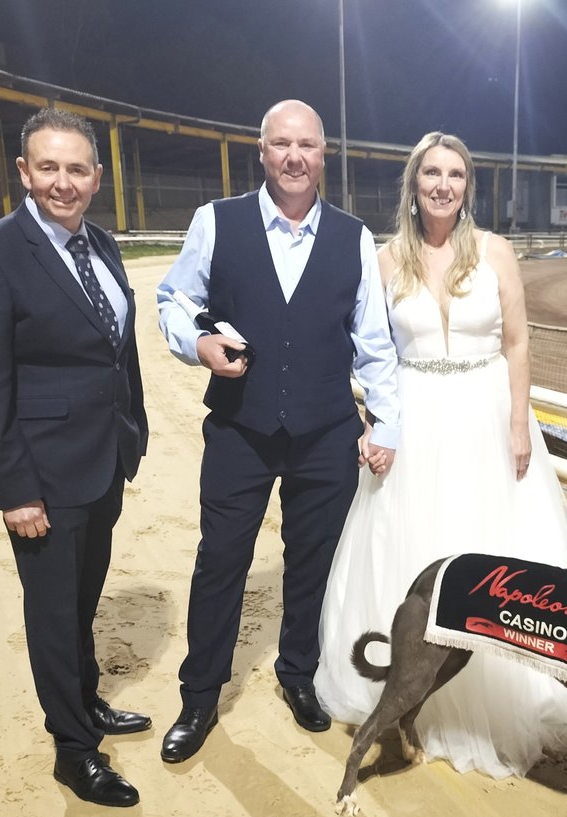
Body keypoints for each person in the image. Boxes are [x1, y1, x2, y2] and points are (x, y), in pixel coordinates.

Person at [314, 132, 567, 778]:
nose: (443, 185)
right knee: (414, 551)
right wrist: (376, 420)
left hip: (487, 417)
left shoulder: (497, 252)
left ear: (467, 186)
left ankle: (504, 695)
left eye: (454, 174)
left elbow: (518, 343)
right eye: (431, 174)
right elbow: (372, 351)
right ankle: (409, 692)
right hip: (415, 421)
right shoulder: (386, 258)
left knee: (495, 553)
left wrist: (518, 424)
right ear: (413, 185)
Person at [155, 99, 399, 763]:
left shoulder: (352, 238)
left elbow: (374, 343)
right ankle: (200, 693)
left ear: (324, 156)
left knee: (313, 561)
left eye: (307, 146)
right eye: (281, 144)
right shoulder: (217, 221)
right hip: (240, 426)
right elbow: (175, 299)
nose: (294, 157)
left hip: (325, 431)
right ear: (262, 152)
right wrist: (198, 341)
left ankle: (300, 674)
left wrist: (387, 422)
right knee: (221, 560)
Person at [0, 108, 150, 807]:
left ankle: (85, 701)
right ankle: (73, 748)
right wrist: (16, 489)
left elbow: (119, 348)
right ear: (24, 172)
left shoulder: (102, 246)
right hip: (43, 474)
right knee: (54, 612)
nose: (64, 182)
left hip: (101, 461)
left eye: (78, 169)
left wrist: (135, 428)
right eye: (49, 167)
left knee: (80, 602)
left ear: (97, 176)